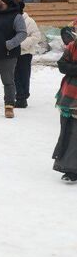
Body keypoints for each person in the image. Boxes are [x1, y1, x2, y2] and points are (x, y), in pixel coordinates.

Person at [52, 21, 77, 182]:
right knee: (70, 131)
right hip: (70, 93)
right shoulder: (72, 46)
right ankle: (70, 168)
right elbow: (62, 64)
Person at [15, 2, 43, 109]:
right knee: (14, 75)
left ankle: (23, 97)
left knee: (24, 75)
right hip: (12, 52)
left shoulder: (29, 21)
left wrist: (20, 44)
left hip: (25, 53)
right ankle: (19, 95)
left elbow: (36, 36)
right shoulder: (10, 20)